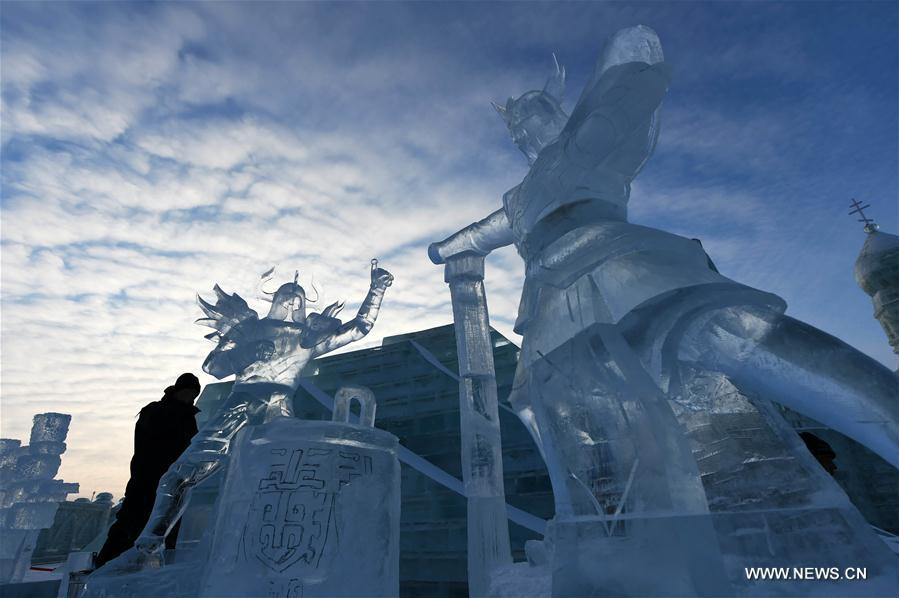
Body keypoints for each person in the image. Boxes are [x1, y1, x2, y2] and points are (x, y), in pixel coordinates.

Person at [94, 373, 201, 568]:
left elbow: (192, 448)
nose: (189, 398)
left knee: (169, 526)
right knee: (131, 522)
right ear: (178, 390)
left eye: (193, 394)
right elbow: (149, 443)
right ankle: (104, 565)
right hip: (146, 478)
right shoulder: (155, 410)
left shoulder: (189, 418)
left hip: (175, 483)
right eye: (186, 392)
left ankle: (160, 568)